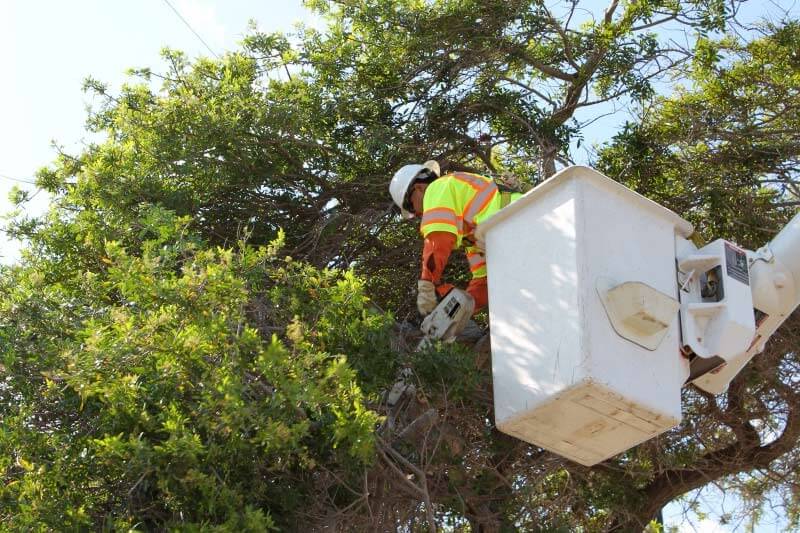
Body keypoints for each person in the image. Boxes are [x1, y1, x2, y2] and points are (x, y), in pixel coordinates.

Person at [389, 160, 520, 316]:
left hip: (518, 221)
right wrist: (456, 312)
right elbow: (484, 280)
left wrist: (427, 284)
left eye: (411, 208)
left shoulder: (438, 188)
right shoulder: (473, 233)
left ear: (418, 189)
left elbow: (437, 241)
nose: (418, 215)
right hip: (519, 228)